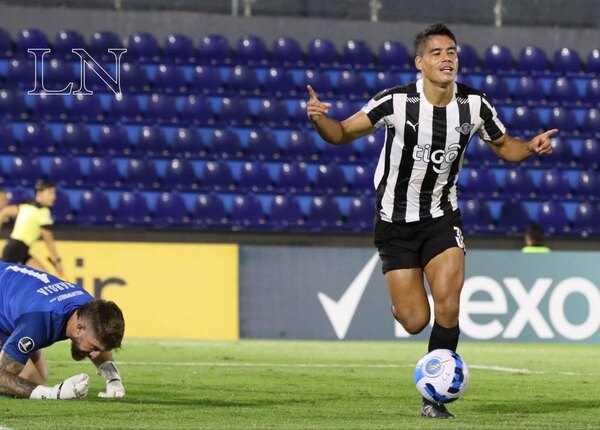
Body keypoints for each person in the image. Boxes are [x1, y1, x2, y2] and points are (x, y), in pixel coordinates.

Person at [306, 22, 556, 418]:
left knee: (449, 306)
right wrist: (320, 119)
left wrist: (530, 147)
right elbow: (341, 134)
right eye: (437, 52)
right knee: (414, 320)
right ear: (419, 62)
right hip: (395, 223)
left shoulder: (474, 106)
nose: (447, 58)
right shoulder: (395, 102)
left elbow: (506, 147)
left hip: (442, 217)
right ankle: (403, 305)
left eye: (452, 51)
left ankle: (433, 398)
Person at [0, 262, 125, 399]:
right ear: (79, 328)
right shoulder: (39, 322)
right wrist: (54, 393)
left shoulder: (88, 309)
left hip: (16, 302)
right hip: (21, 313)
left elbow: (99, 338)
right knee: (26, 382)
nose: (95, 354)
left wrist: (113, 378)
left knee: (36, 381)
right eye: (94, 347)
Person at [0, 180, 64, 277]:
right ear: (39, 193)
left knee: (44, 276)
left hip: (19, 251)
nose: (54, 197)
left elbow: (4, 212)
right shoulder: (44, 212)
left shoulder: (25, 206)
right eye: (50, 193)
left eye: (54, 193)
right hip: (15, 251)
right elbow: (48, 237)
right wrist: (56, 260)